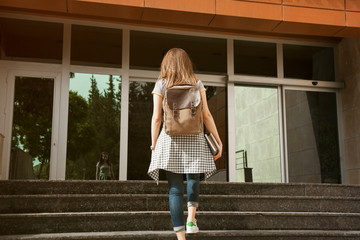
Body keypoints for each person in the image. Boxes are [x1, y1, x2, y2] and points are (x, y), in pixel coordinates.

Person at [148, 48, 223, 240]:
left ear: (167, 64)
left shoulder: (162, 84)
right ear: (187, 63)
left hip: (170, 139)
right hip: (195, 138)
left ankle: (181, 238)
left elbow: (157, 118)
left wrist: (154, 146)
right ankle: (191, 220)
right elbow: (206, 114)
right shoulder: (197, 83)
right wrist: (218, 140)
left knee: (174, 190)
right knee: (193, 178)